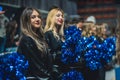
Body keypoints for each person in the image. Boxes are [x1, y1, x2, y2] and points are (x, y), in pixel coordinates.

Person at [17, 7, 53, 80]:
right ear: (27, 20)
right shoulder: (27, 40)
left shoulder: (40, 37)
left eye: (39, 17)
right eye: (33, 17)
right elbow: (36, 67)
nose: (37, 19)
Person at [44, 7, 65, 79]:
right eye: (58, 15)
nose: (61, 18)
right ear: (51, 18)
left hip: (63, 70)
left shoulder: (62, 36)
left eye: (62, 16)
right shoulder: (48, 34)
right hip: (54, 73)